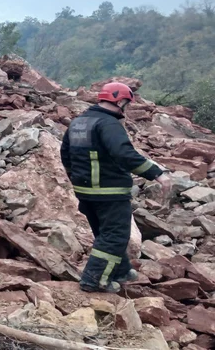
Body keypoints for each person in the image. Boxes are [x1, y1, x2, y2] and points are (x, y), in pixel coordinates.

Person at [60, 82, 172, 294]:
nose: (126, 108)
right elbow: (124, 154)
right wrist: (156, 173)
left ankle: (121, 270)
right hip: (109, 191)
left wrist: (76, 178)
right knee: (115, 236)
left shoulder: (78, 122)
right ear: (120, 101)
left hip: (85, 191)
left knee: (105, 233)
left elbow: (66, 154)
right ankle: (93, 280)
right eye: (126, 103)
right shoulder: (109, 124)